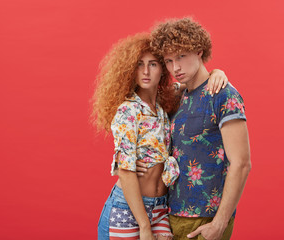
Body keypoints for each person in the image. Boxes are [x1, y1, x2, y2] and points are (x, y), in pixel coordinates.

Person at [91, 33, 229, 240]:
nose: (146, 71)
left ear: (163, 69)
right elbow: (126, 171)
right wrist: (144, 227)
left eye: (153, 64)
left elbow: (196, 83)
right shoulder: (128, 111)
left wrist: (217, 72)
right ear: (130, 69)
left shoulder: (167, 103)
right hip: (128, 209)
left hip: (160, 209)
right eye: (139, 64)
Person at [137, 17, 252, 240]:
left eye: (181, 56)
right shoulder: (176, 97)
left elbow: (242, 163)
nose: (175, 67)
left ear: (199, 51)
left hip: (206, 219)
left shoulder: (224, 95)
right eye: (169, 61)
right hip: (168, 215)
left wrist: (219, 224)